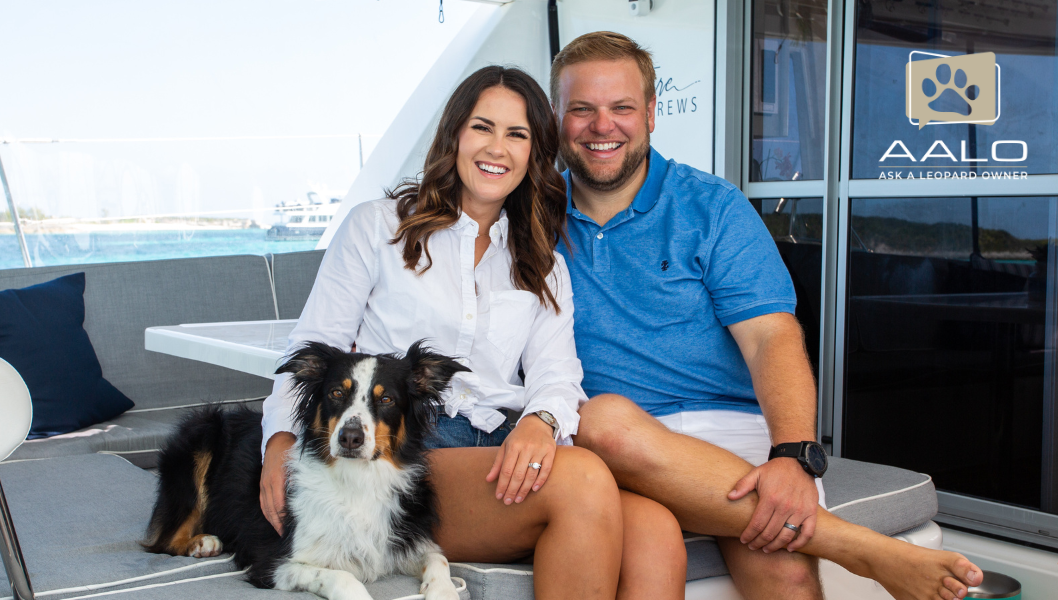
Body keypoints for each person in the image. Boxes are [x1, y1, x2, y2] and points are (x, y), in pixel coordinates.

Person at [552, 31, 984, 600]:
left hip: (730, 429)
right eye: (581, 109)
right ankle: (859, 549)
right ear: (556, 118)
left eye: (622, 107)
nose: (601, 126)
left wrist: (792, 455)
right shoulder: (532, 218)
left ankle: (840, 544)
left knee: (786, 577)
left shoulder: (712, 205)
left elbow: (770, 339)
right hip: (613, 451)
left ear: (652, 113)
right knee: (600, 420)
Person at [259, 65, 687, 600]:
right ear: (456, 133)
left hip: (504, 439)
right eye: (483, 127)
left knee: (656, 530)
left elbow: (558, 373)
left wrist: (541, 421)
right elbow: (313, 345)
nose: (497, 148)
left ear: (535, 152)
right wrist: (279, 441)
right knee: (582, 479)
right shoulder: (377, 227)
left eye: (518, 134)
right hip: (409, 449)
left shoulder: (543, 264)